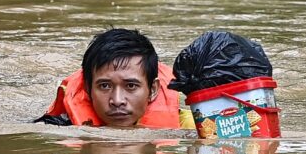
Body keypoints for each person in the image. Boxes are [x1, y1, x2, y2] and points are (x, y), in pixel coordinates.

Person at [35, 28, 193, 128]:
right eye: (104, 86)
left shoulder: (190, 127)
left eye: (131, 86)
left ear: (152, 90)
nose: (117, 100)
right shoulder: (58, 126)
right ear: (88, 89)